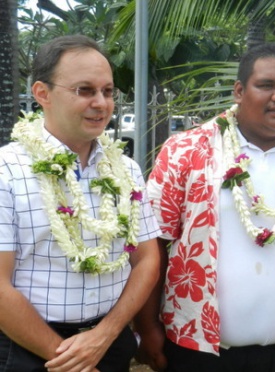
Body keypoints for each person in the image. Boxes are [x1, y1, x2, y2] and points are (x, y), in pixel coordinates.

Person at [135, 42, 275, 371]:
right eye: (266, 85)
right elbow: (152, 244)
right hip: (198, 350)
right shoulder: (185, 151)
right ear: (239, 90)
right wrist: (146, 328)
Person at [0, 35, 161, 371]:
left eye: (107, 91)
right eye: (84, 90)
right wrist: (70, 359)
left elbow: (146, 259)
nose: (101, 103)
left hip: (109, 344)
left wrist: (105, 334)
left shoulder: (126, 169)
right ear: (42, 93)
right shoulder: (7, 170)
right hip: (30, 350)